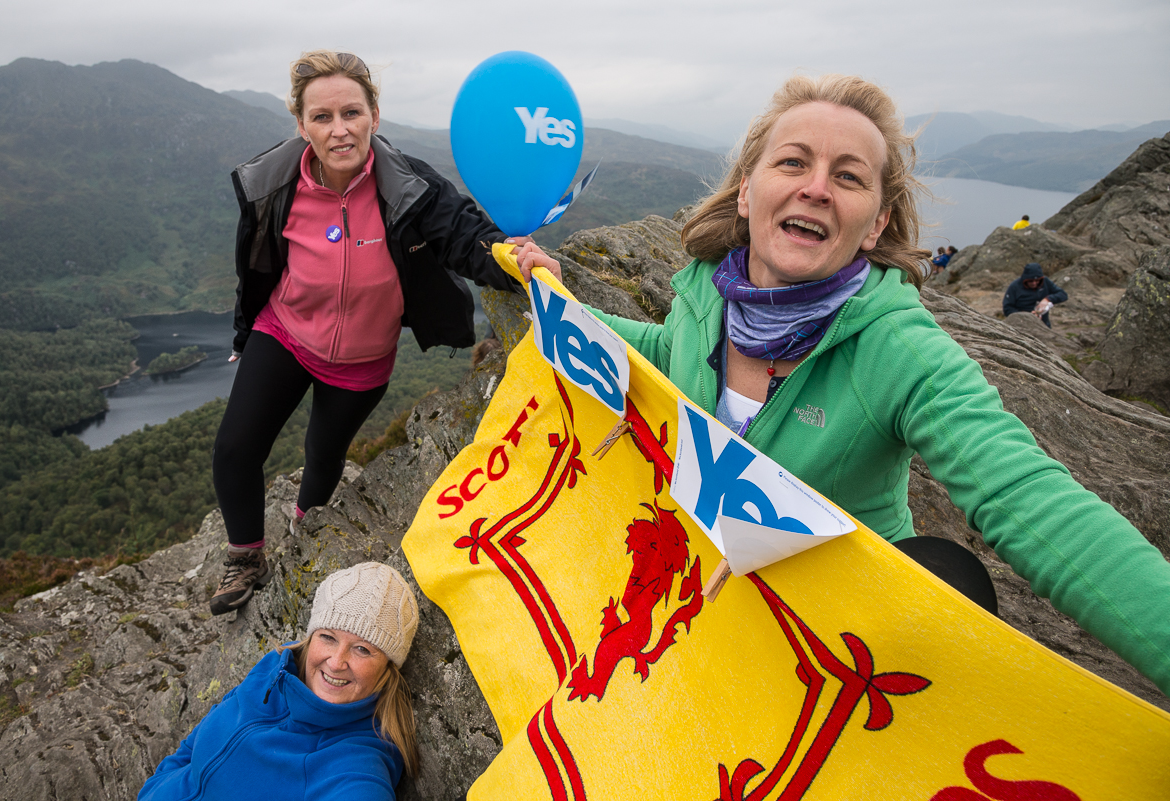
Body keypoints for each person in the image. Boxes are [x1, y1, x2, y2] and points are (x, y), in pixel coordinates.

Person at [538, 74, 1170, 694]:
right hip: (706, 592)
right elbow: (662, 350)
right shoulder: (705, 290)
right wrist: (556, 299)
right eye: (792, 163)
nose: (816, 188)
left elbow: (1028, 498)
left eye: (848, 176)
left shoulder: (900, 350)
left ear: (875, 224)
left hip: (831, 643)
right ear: (744, 192)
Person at [210, 50, 550, 615]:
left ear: (374, 114)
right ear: (301, 125)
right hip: (287, 332)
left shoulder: (408, 184)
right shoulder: (278, 184)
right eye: (322, 117)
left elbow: (463, 236)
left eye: (351, 112)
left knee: (323, 455)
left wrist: (516, 261)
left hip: (362, 359)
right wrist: (245, 328)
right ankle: (246, 557)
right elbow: (258, 261)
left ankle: (305, 533)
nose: (339, 129)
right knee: (234, 449)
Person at [139, 562, 420, 800]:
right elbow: (197, 740)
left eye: (362, 649)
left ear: (387, 668)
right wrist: (158, 785)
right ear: (311, 638)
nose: (336, 662)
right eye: (328, 637)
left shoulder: (356, 767)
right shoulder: (274, 669)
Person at [1003, 261, 1067, 327]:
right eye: (1031, 281)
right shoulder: (1015, 286)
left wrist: (1047, 299)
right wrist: (1026, 315)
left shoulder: (1045, 282)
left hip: (1043, 324)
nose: (1034, 283)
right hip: (1022, 325)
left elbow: (1063, 295)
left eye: (1037, 281)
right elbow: (1007, 309)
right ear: (1025, 279)